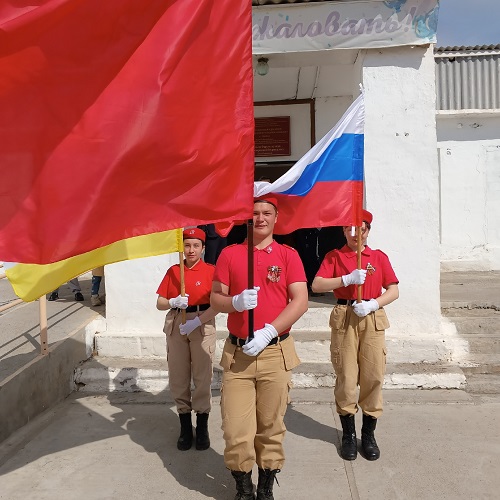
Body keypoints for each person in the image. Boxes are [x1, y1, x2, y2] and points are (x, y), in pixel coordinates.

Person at [211, 196, 308, 500]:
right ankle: (243, 486)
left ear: (276, 218)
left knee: (270, 426)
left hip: (274, 352)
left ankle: (265, 486)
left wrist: (269, 331)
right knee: (236, 429)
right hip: (238, 356)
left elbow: (300, 300)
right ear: (246, 219)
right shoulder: (230, 255)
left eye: (267, 213)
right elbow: (216, 299)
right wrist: (235, 303)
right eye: (254, 213)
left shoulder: (288, 255)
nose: (261, 218)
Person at [311, 210, 399, 462]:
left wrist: (373, 304)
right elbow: (317, 285)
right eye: (348, 229)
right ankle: (348, 434)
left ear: (368, 230)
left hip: (371, 316)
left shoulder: (378, 257)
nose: (354, 234)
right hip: (345, 316)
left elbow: (393, 290)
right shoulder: (335, 256)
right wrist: (345, 279)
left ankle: (368, 434)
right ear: (342, 231)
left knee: (373, 376)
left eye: (360, 229)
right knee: (347, 377)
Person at [156, 228, 218, 451]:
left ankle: (202, 426)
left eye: (195, 246)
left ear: (203, 248)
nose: (191, 250)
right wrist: (173, 301)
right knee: (179, 375)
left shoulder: (211, 271)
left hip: (201, 322)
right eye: (187, 245)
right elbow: (160, 302)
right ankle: (184, 425)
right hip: (177, 324)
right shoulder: (175, 271)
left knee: (203, 376)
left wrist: (199, 321)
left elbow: (217, 303)